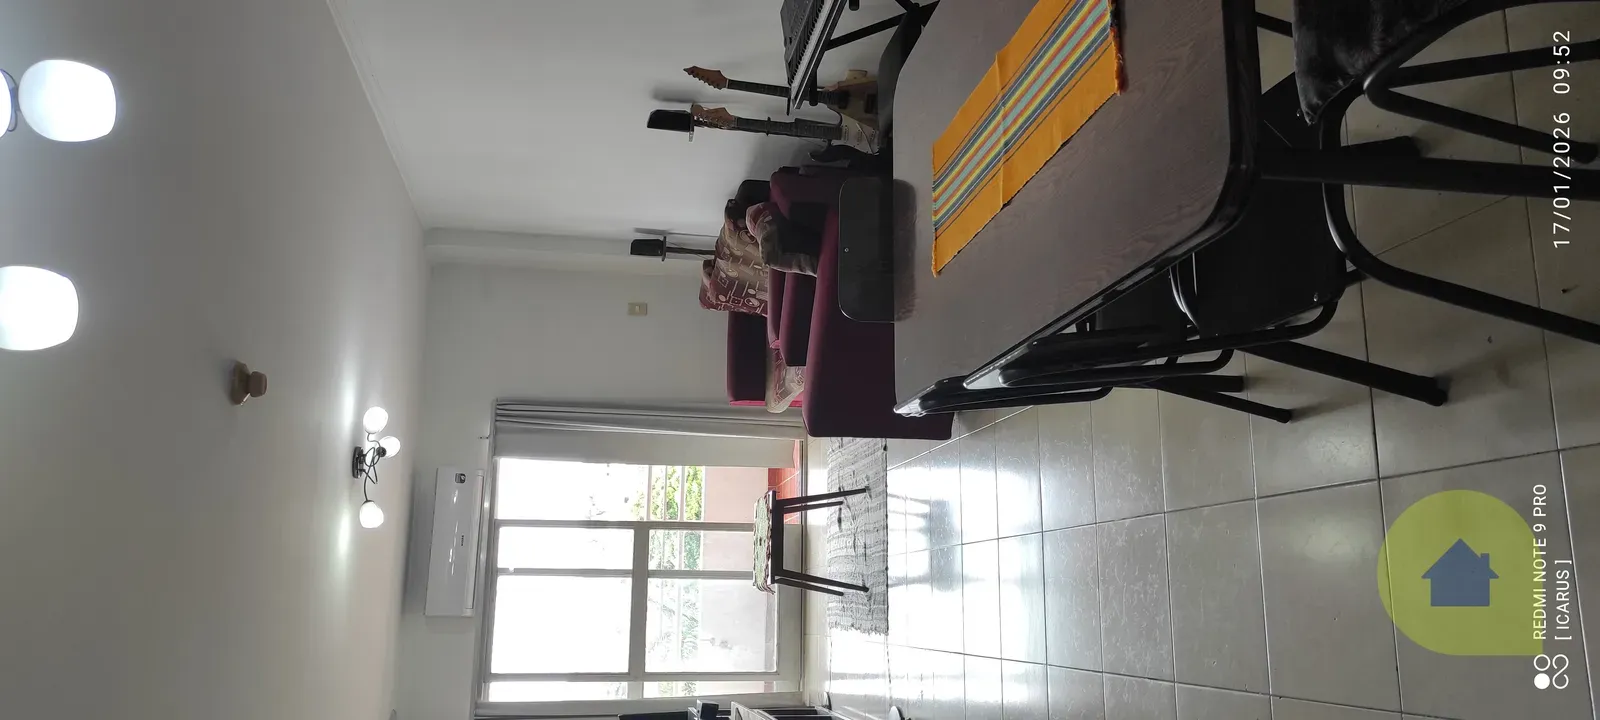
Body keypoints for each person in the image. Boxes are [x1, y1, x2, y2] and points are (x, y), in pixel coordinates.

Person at [726, 197, 822, 276]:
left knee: (770, 258)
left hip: (776, 228)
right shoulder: (759, 206)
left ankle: (819, 268)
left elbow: (765, 229)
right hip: (797, 225)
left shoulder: (751, 217)